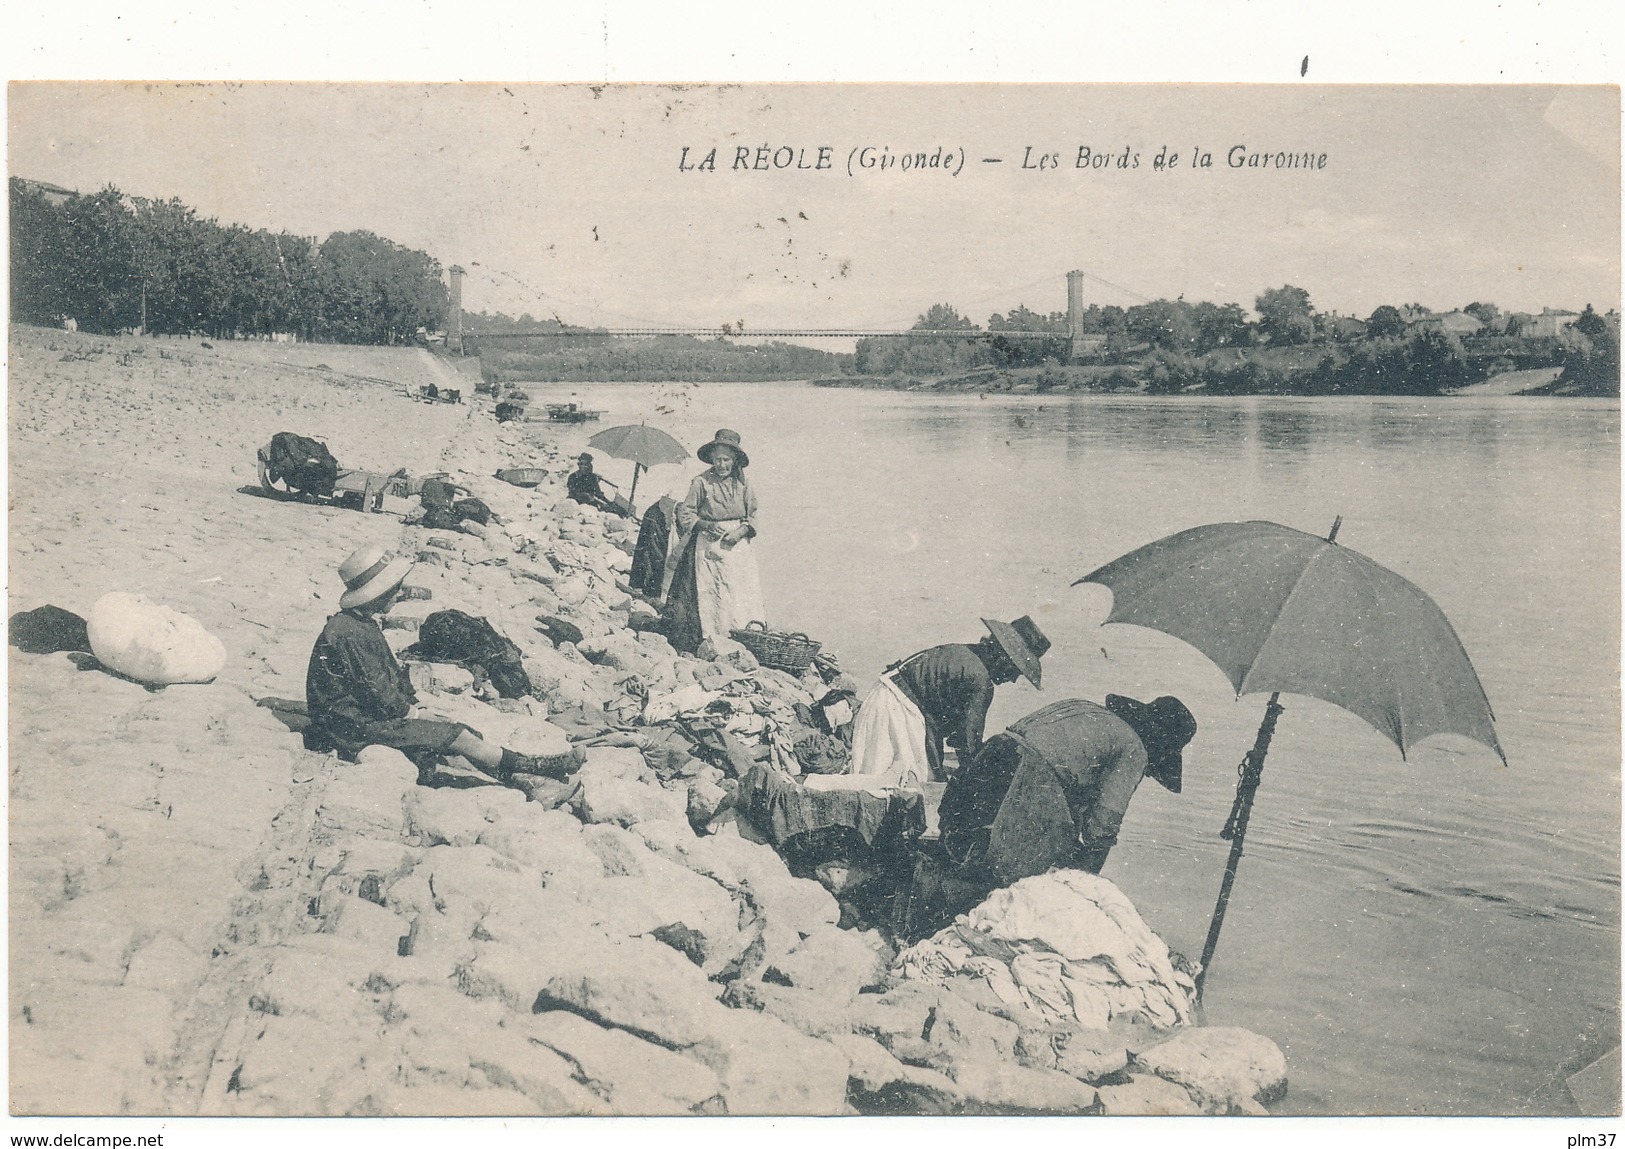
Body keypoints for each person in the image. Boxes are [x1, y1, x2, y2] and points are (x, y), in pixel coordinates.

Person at [304, 543, 576, 785]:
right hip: (349, 726)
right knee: (458, 736)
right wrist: (414, 714)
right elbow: (379, 693)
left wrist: (416, 708)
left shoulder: (359, 624)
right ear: (379, 593)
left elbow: (388, 682)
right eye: (395, 590)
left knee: (460, 733)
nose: (399, 595)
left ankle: (525, 780)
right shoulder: (351, 632)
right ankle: (536, 766)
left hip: (360, 716)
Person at [939, 694, 1197, 884]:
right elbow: (1103, 826)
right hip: (1022, 778)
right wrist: (1087, 884)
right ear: (1159, 746)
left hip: (992, 755)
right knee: (1003, 877)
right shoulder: (1134, 748)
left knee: (962, 850)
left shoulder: (1088, 709)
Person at [830, 617, 1050, 790]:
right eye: (1015, 670)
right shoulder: (980, 680)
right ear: (1004, 657)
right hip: (896, 710)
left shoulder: (965, 653)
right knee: (898, 785)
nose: (1012, 679)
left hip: (885, 698)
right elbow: (969, 741)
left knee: (881, 778)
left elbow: (944, 723)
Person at [662, 429, 765, 655]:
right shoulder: (701, 483)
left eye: (726, 459)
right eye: (717, 459)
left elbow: (754, 514)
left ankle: (743, 638)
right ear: (711, 459)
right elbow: (685, 513)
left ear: (735, 460)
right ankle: (713, 639)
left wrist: (741, 531)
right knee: (711, 594)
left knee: (739, 594)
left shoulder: (744, 485)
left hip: (738, 548)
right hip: (708, 546)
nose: (722, 465)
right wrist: (706, 525)